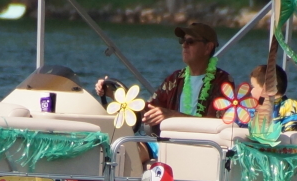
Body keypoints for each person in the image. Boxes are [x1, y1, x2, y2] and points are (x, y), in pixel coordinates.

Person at [95, 23, 234, 127]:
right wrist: (112, 93)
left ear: (208, 48)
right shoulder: (174, 79)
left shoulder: (222, 82)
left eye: (190, 42)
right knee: (126, 151)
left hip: (205, 147)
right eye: (182, 41)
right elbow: (148, 111)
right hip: (169, 142)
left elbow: (217, 124)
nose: (184, 45)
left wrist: (171, 115)